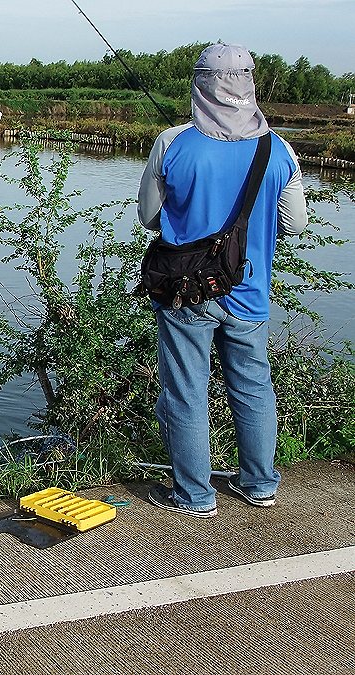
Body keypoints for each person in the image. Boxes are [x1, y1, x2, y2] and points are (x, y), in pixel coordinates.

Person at [137, 44, 307, 518]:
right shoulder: (280, 149)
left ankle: (195, 495)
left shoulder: (172, 142)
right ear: (250, 82)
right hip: (250, 293)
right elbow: (294, 224)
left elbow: (149, 216)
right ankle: (259, 485)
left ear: (200, 83)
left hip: (186, 292)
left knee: (186, 390)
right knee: (253, 386)